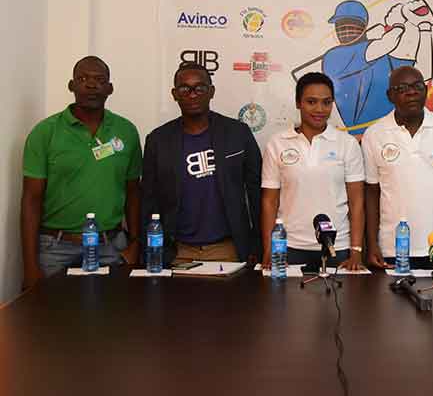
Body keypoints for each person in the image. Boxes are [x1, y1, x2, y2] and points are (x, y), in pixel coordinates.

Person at [21, 56, 142, 288]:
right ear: (71, 85)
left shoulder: (126, 131)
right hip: (55, 249)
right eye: (83, 78)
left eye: (99, 79)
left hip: (110, 247)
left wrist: (134, 244)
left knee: (111, 321)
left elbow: (133, 192)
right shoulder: (45, 132)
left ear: (110, 88)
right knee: (52, 322)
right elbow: (31, 199)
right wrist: (30, 267)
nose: (91, 85)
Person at [141, 62, 262, 266]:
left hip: (228, 250)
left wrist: (258, 244)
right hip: (177, 252)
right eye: (184, 88)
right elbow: (148, 200)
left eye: (200, 88)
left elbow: (256, 191)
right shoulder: (158, 140)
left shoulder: (237, 133)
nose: (192, 94)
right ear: (174, 94)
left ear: (211, 91)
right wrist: (149, 251)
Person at [362, 65, 433, 269]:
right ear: (390, 96)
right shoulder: (374, 134)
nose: (411, 92)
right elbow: (372, 193)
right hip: (392, 249)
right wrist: (372, 244)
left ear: (426, 90)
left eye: (417, 86)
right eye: (402, 88)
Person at [260, 73, 365, 270]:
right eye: (311, 102)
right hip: (288, 247)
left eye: (326, 102)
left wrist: (356, 250)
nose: (320, 109)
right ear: (298, 103)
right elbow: (269, 201)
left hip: (337, 249)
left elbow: (357, 201)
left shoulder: (347, 144)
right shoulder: (277, 143)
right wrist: (268, 248)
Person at [292, 0, 433, 134]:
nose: (345, 31)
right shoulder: (333, 57)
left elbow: (423, 73)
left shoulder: (382, 56)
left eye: (353, 25)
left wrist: (425, 28)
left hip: (392, 137)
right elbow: (386, 44)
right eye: (340, 26)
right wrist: (397, 23)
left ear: (364, 26)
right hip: (359, 138)